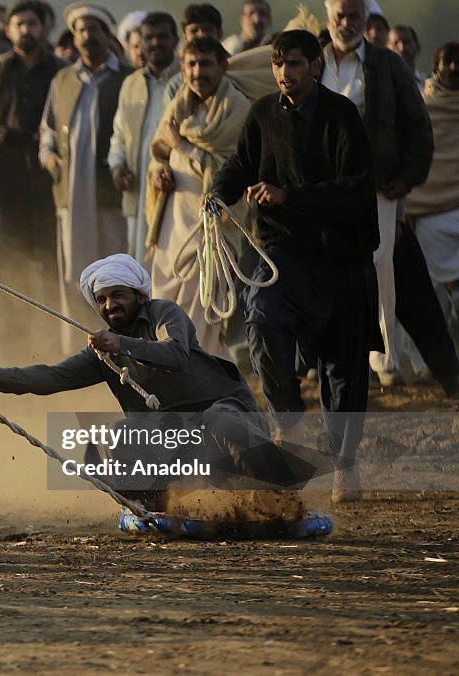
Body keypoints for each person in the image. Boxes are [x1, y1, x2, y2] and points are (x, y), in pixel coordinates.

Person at [0, 254, 291, 511]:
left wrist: (123, 345)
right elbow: (48, 377)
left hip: (229, 414)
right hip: (184, 440)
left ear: (139, 295)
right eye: (102, 299)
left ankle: (285, 496)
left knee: (222, 419)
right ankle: (161, 504)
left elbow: (176, 354)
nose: (109, 305)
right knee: (124, 434)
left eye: (118, 295)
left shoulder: (164, 313)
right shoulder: (104, 353)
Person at [210, 30, 380, 503]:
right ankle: (286, 423)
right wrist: (217, 195)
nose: (286, 73)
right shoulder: (263, 114)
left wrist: (291, 196)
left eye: (296, 64)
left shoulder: (342, 116)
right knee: (262, 317)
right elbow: (240, 166)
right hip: (281, 253)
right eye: (279, 64)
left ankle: (345, 464)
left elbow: (357, 189)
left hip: (341, 257)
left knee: (343, 365)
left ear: (316, 66)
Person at [321, 0, 434, 387]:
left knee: (379, 270)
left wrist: (406, 178)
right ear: (328, 16)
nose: (346, 23)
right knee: (329, 273)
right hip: (322, 190)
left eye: (354, 16)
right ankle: (340, 360)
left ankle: (385, 361)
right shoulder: (311, 60)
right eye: (340, 15)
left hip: (377, 189)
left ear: (366, 20)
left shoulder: (388, 65)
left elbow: (417, 125)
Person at [145, 37, 250, 360]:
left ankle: (207, 386)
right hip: (173, 226)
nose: (197, 72)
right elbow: (159, 152)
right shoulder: (179, 105)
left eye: (205, 63)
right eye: (190, 64)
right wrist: (158, 173)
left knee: (203, 315)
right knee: (167, 309)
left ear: (223, 66)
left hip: (212, 229)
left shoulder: (238, 109)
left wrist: (181, 147)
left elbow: (232, 170)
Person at [40, 2, 134, 352]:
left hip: (111, 195)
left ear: (108, 36)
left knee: (116, 272)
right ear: (74, 38)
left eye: (94, 29)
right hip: (70, 194)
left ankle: (124, 345)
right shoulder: (62, 78)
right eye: (81, 30)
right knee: (75, 275)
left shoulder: (127, 77)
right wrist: (48, 157)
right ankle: (78, 349)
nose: (88, 36)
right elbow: (47, 130)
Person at [0, 0, 65, 338]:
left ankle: (56, 339)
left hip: (47, 178)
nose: (26, 30)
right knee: (7, 261)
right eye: (19, 24)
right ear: (8, 30)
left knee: (51, 262)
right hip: (4, 177)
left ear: (44, 28)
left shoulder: (60, 70)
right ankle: (14, 342)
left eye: (32, 24)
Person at [107, 12, 180, 262]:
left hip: (177, 187)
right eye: (149, 37)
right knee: (140, 264)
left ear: (175, 40)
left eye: (163, 37)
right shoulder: (131, 84)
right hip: (138, 191)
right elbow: (118, 135)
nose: (156, 43)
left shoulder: (187, 80)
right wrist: (117, 167)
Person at [406, 42, 459, 375]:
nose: (454, 69)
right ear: (436, 67)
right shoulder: (421, 109)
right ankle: (430, 365)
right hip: (428, 215)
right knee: (432, 298)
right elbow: (416, 162)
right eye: (448, 62)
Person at [162, 4, 224, 105]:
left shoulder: (240, 70)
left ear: (220, 33)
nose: (201, 35)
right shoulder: (176, 86)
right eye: (194, 31)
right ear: (185, 37)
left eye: (207, 30)